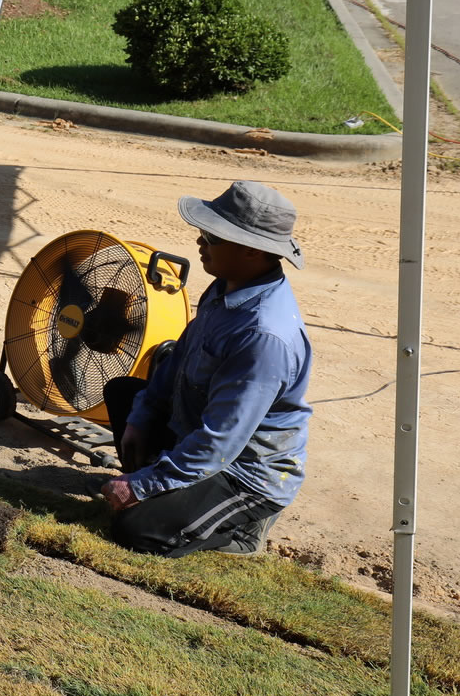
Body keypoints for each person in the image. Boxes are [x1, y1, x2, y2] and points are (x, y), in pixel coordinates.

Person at [99, 181, 313, 557]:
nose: (200, 240)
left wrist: (141, 486)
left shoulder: (264, 336)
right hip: (197, 430)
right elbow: (178, 361)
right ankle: (167, 487)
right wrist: (140, 419)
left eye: (212, 236)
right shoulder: (223, 288)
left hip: (242, 471)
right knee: (124, 394)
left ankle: (244, 530)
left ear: (251, 250)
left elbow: (221, 442)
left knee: (135, 531)